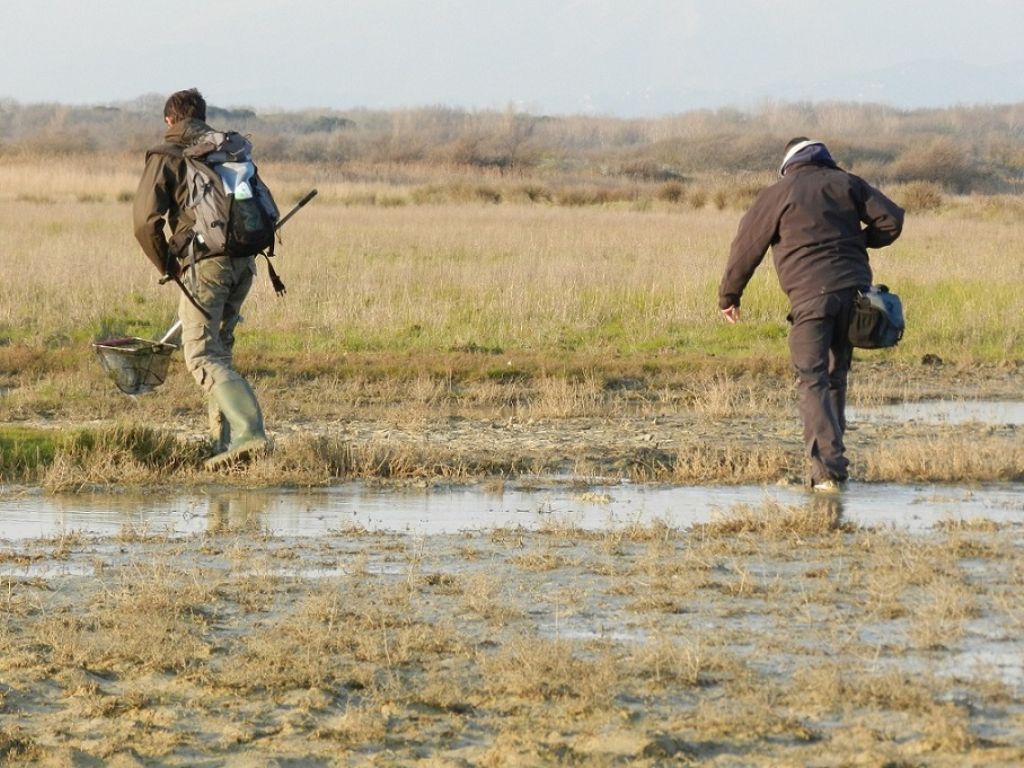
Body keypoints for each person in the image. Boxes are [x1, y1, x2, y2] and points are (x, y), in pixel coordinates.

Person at [718, 137, 904, 491]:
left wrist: (730, 295)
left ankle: (828, 473)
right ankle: (834, 466)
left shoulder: (778, 193)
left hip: (810, 298)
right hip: (854, 296)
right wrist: (858, 241)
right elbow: (892, 221)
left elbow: (746, 247)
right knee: (834, 377)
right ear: (823, 158)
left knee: (812, 377)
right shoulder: (847, 182)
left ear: (788, 164)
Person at [133, 88, 269, 470]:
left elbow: (144, 223)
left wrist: (167, 266)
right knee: (219, 350)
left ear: (168, 120)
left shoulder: (168, 154)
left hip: (206, 265)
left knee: (202, 355)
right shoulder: (226, 149)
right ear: (202, 116)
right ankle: (223, 445)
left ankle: (249, 435)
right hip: (244, 262)